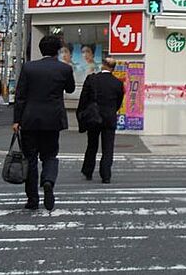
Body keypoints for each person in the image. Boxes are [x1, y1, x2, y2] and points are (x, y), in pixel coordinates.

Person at [12, 35, 75, 210]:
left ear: (40, 49)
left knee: (30, 159)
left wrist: (17, 119)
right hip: (53, 119)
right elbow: (70, 88)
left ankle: (32, 199)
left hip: (30, 119)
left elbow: (20, 95)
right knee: (50, 155)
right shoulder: (64, 69)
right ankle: (48, 181)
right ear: (57, 50)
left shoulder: (29, 68)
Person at [79, 57, 124, 183]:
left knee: (92, 145)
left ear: (103, 65)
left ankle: (88, 171)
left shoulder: (92, 79)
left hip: (94, 116)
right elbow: (119, 101)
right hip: (109, 117)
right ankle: (106, 175)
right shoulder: (117, 83)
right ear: (113, 68)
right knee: (108, 147)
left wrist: (82, 115)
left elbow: (84, 99)